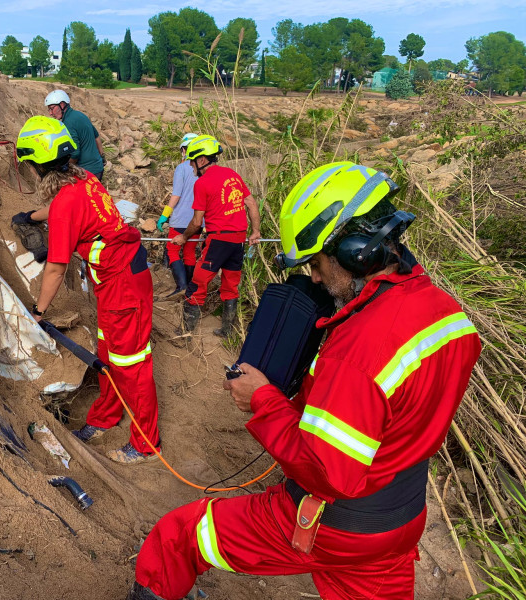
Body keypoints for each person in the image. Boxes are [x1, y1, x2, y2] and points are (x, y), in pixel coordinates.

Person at [126, 161, 481, 600]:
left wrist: (263, 401)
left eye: (316, 262)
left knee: (178, 537)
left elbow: (328, 472)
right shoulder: (447, 313)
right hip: (398, 523)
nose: (313, 276)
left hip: (336, 525)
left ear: (355, 251)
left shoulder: (358, 351)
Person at [13, 116, 161, 465]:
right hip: (114, 285)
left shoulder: (66, 201)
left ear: (37, 165)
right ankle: (104, 418)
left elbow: (56, 266)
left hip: (124, 287)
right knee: (111, 358)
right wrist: (32, 217)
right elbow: (62, 207)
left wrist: (39, 311)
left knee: (133, 366)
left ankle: (146, 445)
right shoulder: (84, 179)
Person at [172, 135, 261, 337]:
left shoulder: (202, 184)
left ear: (202, 160)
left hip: (218, 241)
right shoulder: (232, 175)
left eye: (192, 162)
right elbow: (251, 203)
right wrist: (255, 231)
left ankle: (185, 333)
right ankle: (227, 331)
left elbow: (196, 222)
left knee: (196, 284)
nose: (192, 167)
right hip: (238, 241)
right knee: (231, 286)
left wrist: (183, 238)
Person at [156, 132, 199, 299]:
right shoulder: (204, 169)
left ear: (184, 149)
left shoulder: (182, 168)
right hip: (197, 219)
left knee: (173, 251)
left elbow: (176, 195)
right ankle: (190, 289)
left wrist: (164, 215)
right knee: (189, 252)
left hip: (181, 218)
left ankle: (182, 286)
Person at [44, 90, 106, 180]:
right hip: (98, 168)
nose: (50, 113)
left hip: (87, 172)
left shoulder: (68, 123)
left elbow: (75, 153)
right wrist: (102, 156)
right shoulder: (80, 115)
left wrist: (65, 170)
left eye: (52, 108)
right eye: (49, 109)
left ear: (61, 105)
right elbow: (96, 136)